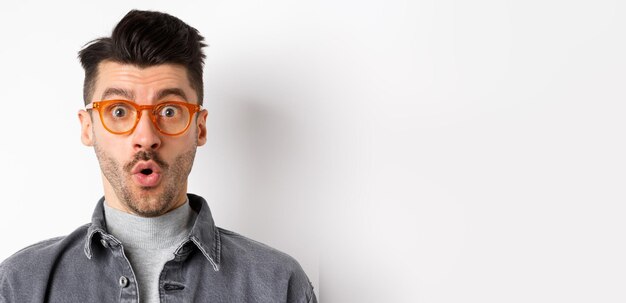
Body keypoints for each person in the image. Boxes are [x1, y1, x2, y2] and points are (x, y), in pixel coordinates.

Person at [0, 9, 316, 303]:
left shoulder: (278, 284)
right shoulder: (21, 284)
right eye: (119, 111)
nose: (146, 137)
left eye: (169, 111)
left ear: (200, 128)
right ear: (88, 128)